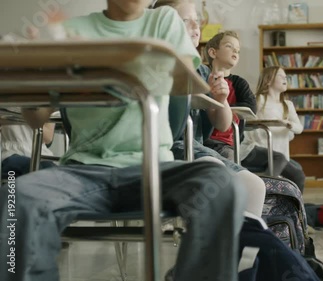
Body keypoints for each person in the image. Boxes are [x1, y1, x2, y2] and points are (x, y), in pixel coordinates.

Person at [0, 2, 246, 281]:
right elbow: (36, 118)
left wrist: (91, 64)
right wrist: (34, 75)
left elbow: (175, 80)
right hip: (83, 170)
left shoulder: (164, 21)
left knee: (221, 182)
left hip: (153, 171)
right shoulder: (70, 31)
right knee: (17, 196)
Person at [153, 0, 266, 217]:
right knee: (216, 175)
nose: (196, 27)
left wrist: (221, 98)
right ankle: (218, 246)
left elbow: (222, 123)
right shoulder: (154, 62)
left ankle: (239, 250)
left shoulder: (203, 72)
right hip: (166, 150)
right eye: (188, 21)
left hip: (195, 147)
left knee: (254, 186)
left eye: (198, 21)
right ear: (163, 23)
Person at [240, 66, 306, 192]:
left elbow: (299, 128)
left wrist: (287, 124)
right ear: (268, 80)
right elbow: (245, 121)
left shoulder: (288, 105)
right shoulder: (258, 100)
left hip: (279, 155)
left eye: (286, 77)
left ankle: (296, 209)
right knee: (279, 159)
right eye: (281, 76)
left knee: (298, 176)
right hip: (255, 149)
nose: (285, 79)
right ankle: (265, 191)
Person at [202, 31, 257, 161]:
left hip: (227, 142)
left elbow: (251, 108)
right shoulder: (202, 77)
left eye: (237, 50)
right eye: (229, 46)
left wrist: (222, 106)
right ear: (213, 53)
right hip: (203, 140)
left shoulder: (239, 83)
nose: (235, 52)